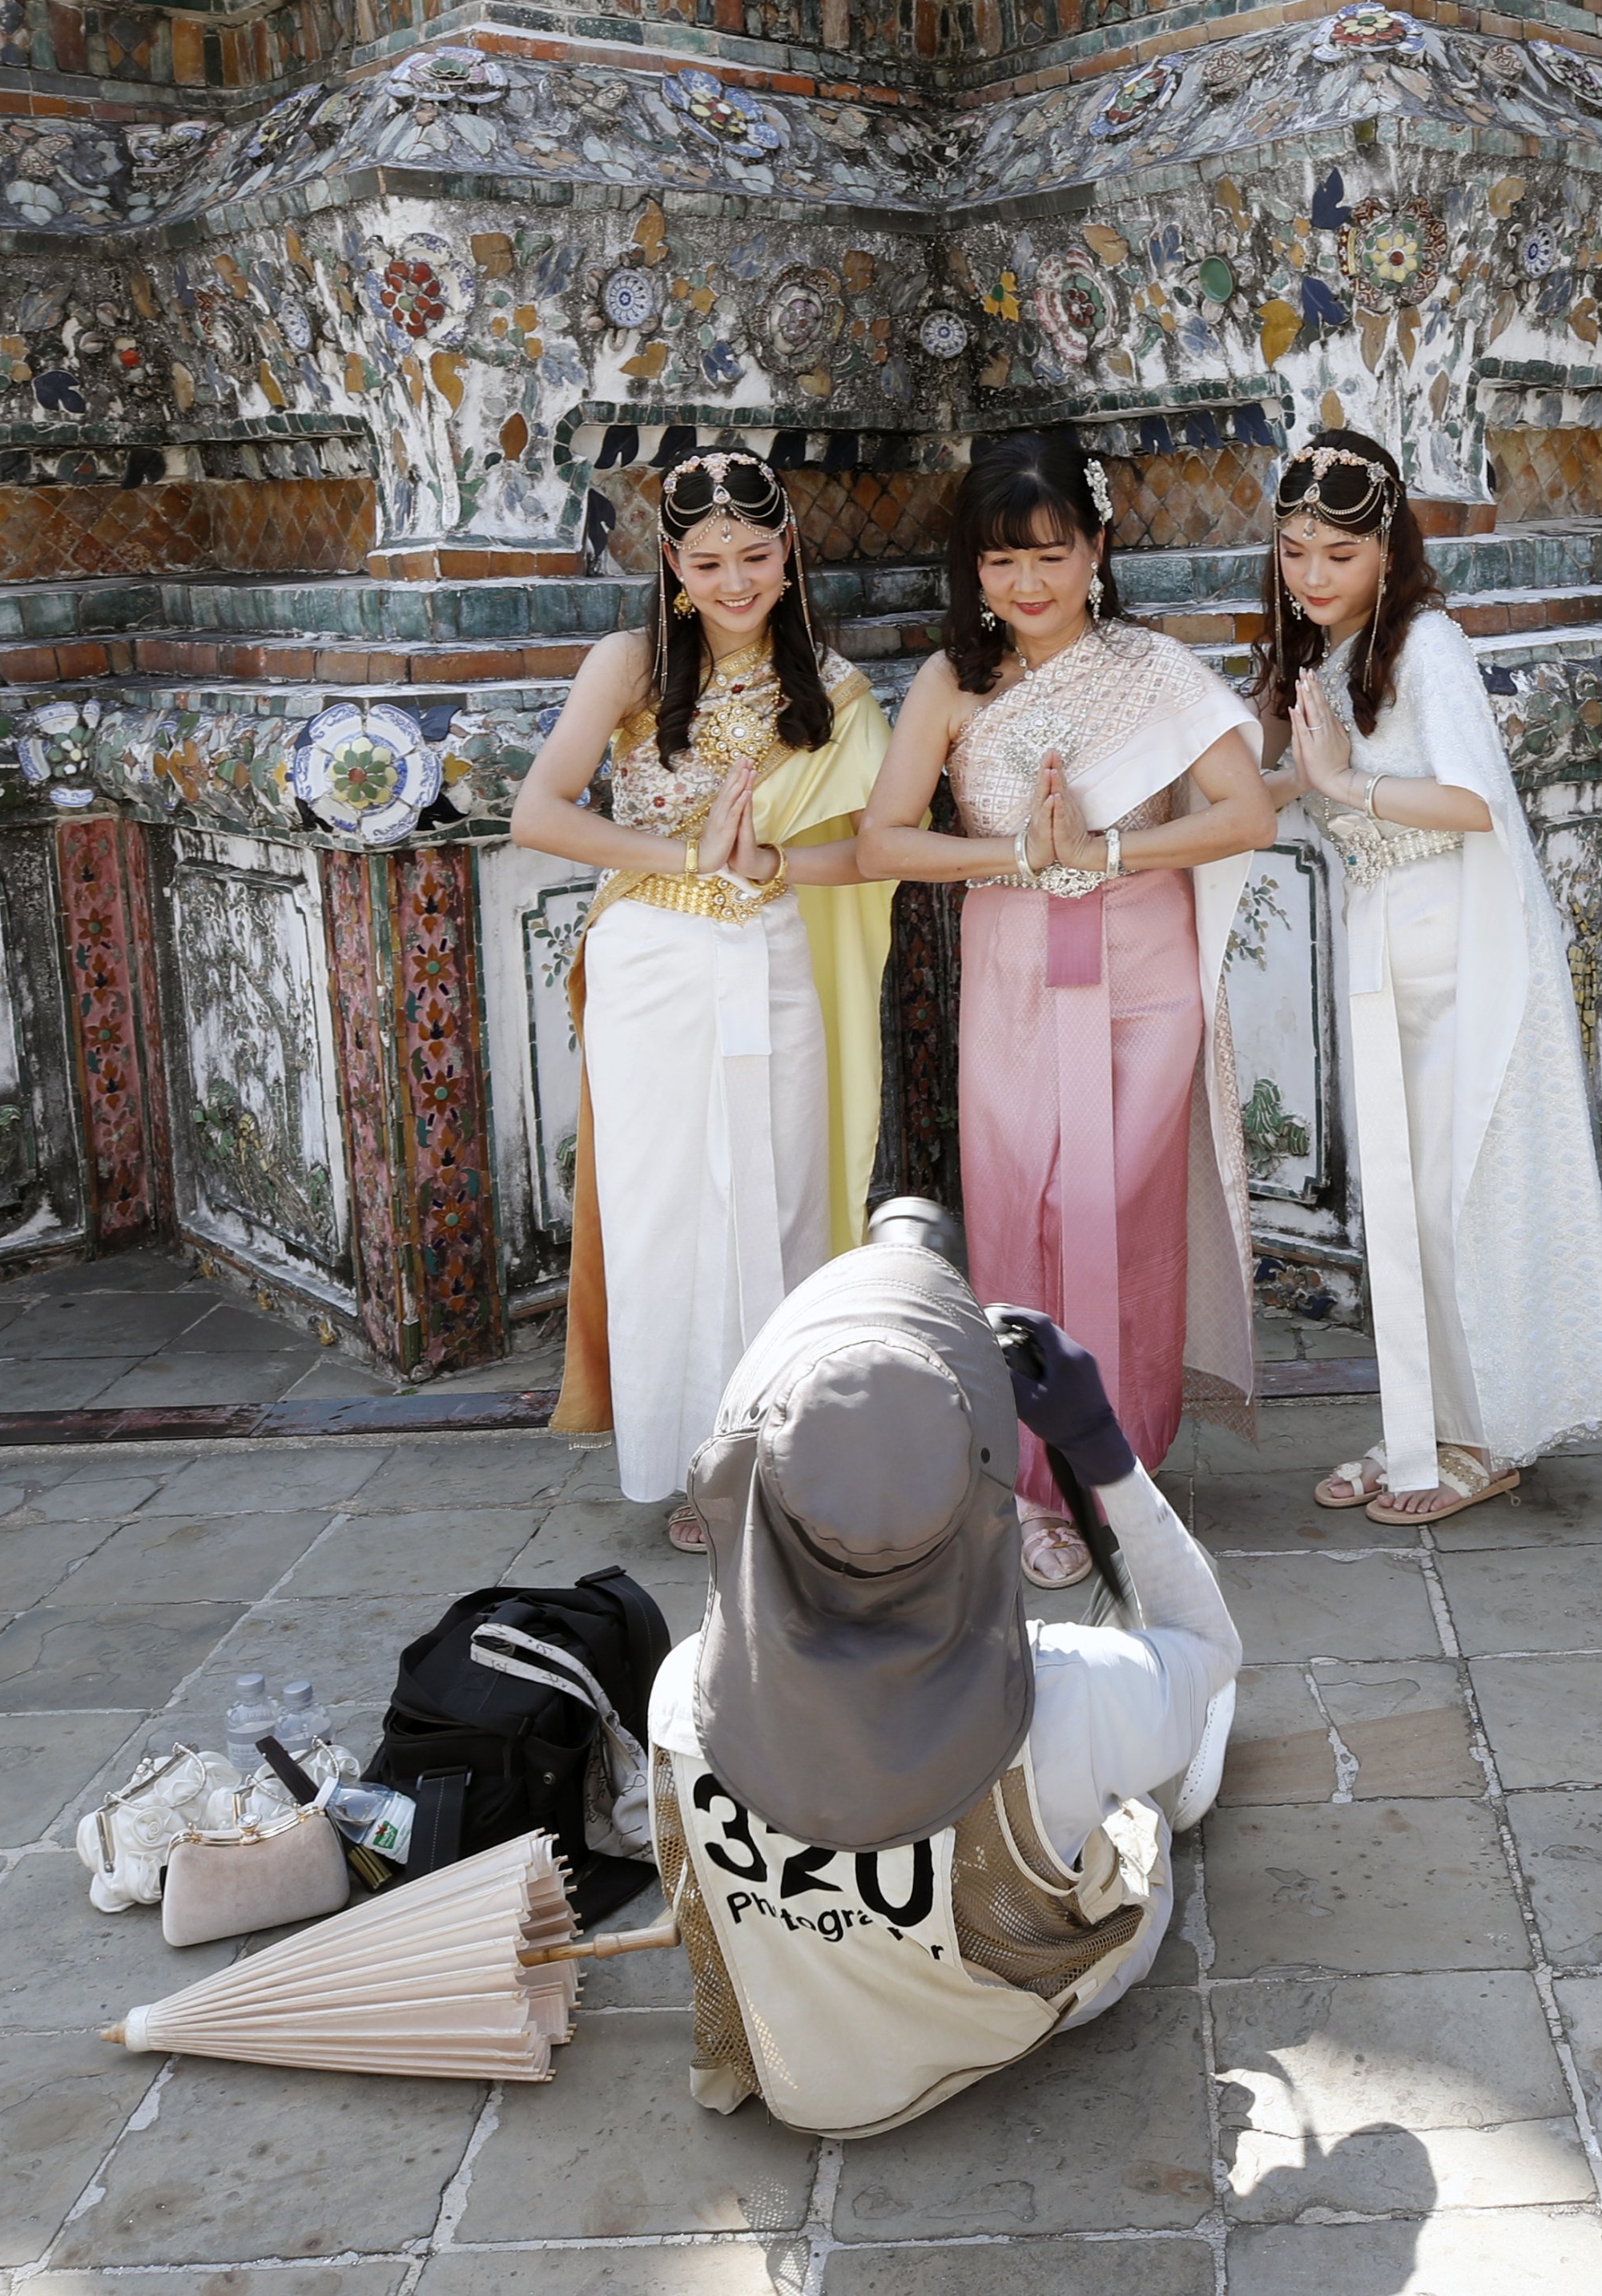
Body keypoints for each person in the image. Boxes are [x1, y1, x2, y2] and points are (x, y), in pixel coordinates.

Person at [646, 1198, 1241, 2137]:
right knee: (1158, 1768)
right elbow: (1212, 1647)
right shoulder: (1062, 1693)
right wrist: (1101, 1453)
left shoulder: (686, 1691)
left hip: (798, 2064)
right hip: (1004, 2018)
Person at [857, 430, 1275, 1592]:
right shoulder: (951, 682)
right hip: (1007, 966)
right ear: (972, 570)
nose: (1026, 585)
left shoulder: (1150, 666)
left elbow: (1246, 815)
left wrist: (1102, 849)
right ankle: (1036, 1485)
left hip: (1141, 968)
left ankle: (1118, 1466)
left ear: (1097, 548)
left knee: (1113, 1207)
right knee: (1018, 1204)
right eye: (999, 562)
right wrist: (1014, 855)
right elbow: (886, 836)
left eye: (1048, 555)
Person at [1251, 431, 1602, 1522]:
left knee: (1454, 1203)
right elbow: (1299, 779)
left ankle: (1486, 1436)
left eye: (1336, 554)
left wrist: (1339, 785)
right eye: (1292, 553)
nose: (1313, 576)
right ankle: (1419, 1424)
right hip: (1386, 944)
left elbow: (1472, 801)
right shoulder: (1330, 654)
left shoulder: (1427, 644)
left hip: (1464, 953)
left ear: (1386, 548)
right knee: (1399, 1203)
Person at [517, 450, 894, 1549]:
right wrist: (684, 851)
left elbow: (874, 854)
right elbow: (538, 811)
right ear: (674, 566)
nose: (737, 582)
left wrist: (765, 863)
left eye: (756, 556)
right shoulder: (628, 663)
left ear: (788, 555)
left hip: (774, 949)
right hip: (653, 959)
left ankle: (786, 1452)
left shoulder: (832, 685)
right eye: (710, 560)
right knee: (665, 1210)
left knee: (778, 1190)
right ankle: (697, 1464)